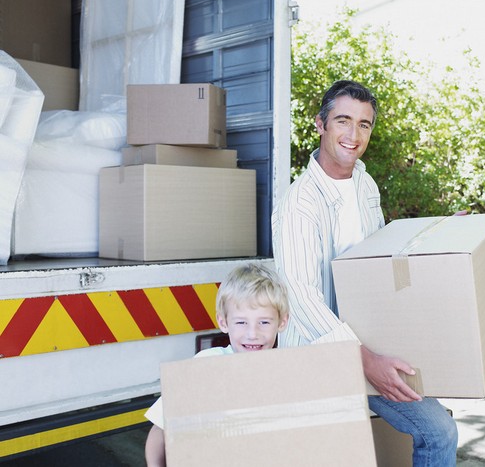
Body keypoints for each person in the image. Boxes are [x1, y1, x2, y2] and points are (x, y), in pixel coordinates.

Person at [272, 79, 458, 466]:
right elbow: (300, 296)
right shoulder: (299, 203)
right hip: (318, 356)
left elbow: (377, 255)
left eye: (364, 124)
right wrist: (365, 359)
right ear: (321, 125)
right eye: (343, 121)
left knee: (439, 430)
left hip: (370, 342)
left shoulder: (364, 184)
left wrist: (433, 238)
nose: (353, 135)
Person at [144, 262, 289, 467]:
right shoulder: (206, 365)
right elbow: (160, 429)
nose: (252, 334)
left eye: (264, 322)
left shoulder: (288, 373)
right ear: (223, 322)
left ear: (282, 322)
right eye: (241, 322)